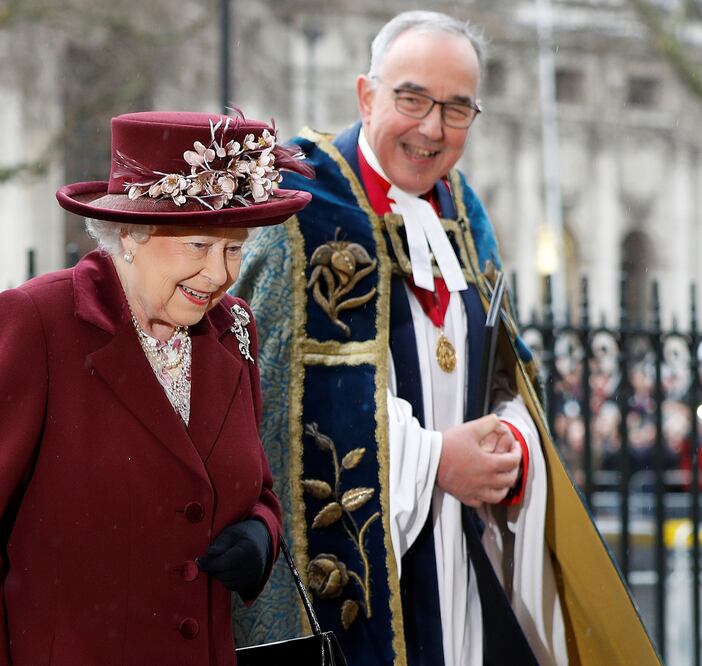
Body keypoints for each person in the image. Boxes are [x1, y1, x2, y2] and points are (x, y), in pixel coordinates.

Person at [231, 10, 659, 666]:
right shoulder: (297, 210)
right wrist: (433, 460)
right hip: (361, 590)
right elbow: (271, 419)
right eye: (411, 99)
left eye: (457, 109)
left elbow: (505, 371)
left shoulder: (465, 210)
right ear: (365, 94)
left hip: (460, 560)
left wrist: (508, 442)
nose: (432, 128)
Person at [0, 111, 313, 665]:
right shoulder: (35, 323)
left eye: (235, 249)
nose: (220, 275)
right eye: (199, 245)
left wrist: (261, 531)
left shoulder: (234, 329)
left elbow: (256, 487)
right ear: (129, 233)